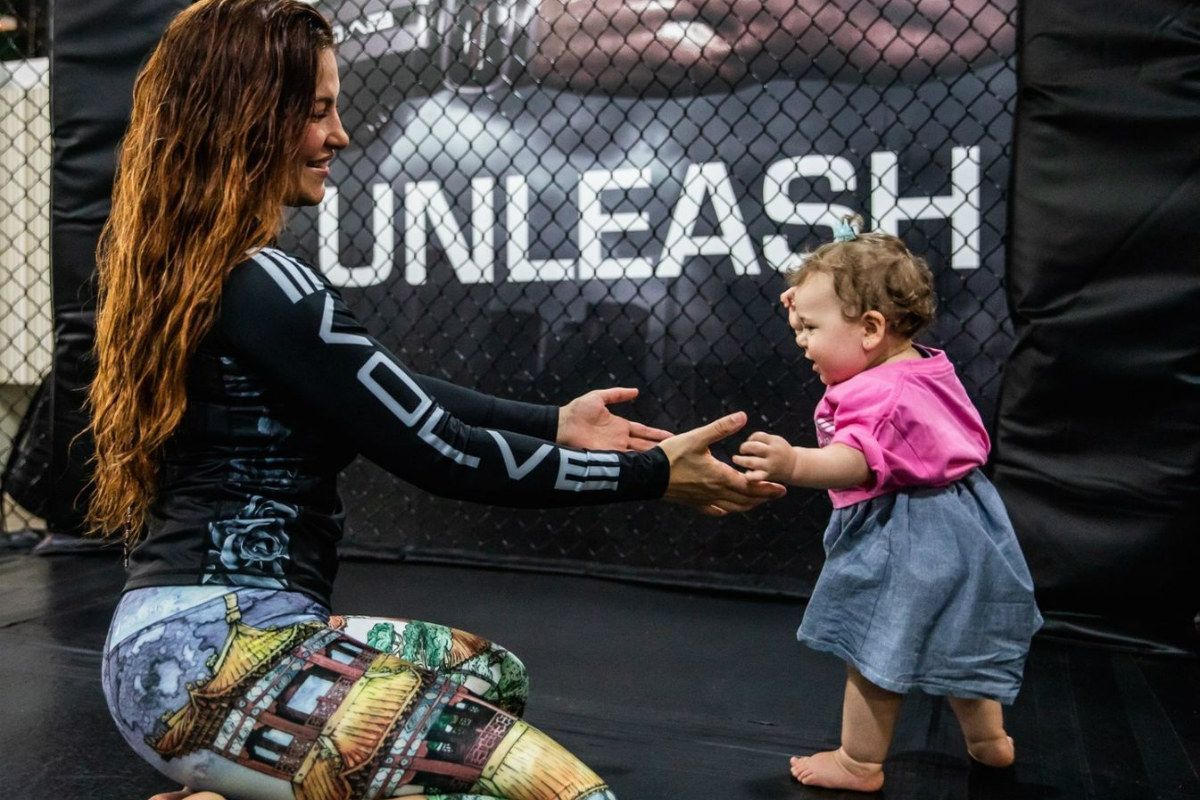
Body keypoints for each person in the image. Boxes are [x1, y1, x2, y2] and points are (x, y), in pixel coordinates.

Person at [88, 3, 784, 799]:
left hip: (180, 643)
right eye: (317, 111)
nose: (340, 135)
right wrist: (653, 476)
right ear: (249, 117)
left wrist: (555, 423)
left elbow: (385, 393)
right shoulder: (264, 283)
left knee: (490, 676)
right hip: (211, 660)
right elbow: (439, 450)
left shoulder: (199, 278)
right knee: (576, 796)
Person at [732, 216, 1042, 792]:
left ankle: (859, 762)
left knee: (875, 649)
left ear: (871, 328)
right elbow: (852, 301)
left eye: (810, 329)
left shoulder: (876, 393)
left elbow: (858, 459)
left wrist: (794, 463)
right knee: (962, 640)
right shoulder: (922, 364)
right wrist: (816, 296)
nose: (801, 341)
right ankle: (988, 742)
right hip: (970, 522)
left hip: (907, 533)